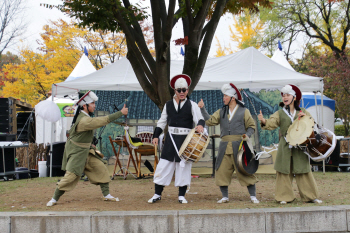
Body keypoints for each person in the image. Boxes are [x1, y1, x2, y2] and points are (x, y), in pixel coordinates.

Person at [46, 91, 128, 207]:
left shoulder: (85, 117)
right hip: (77, 153)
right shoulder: (84, 120)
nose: (95, 105)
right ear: (85, 106)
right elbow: (102, 121)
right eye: (92, 103)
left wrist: (90, 145)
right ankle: (54, 198)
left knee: (101, 168)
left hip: (86, 151)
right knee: (70, 177)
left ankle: (106, 195)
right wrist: (120, 113)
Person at [257, 84, 322, 204]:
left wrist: (305, 118)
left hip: (300, 146)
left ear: (294, 97)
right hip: (285, 146)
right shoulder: (280, 113)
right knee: (283, 171)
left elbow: (312, 124)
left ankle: (311, 196)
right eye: (283, 95)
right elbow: (272, 122)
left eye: (288, 95)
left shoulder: (303, 111)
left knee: (303, 170)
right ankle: (284, 197)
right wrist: (263, 121)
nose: (285, 97)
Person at [198, 83, 259, 204]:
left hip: (240, 146)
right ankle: (225, 196)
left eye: (225, 96)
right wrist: (202, 109)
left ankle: (253, 196)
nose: (223, 98)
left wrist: (247, 135)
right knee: (221, 170)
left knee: (244, 169)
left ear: (233, 97)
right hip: (224, 146)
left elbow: (251, 126)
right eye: (223, 96)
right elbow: (210, 121)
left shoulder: (244, 111)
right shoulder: (221, 111)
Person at [148, 74, 205, 204]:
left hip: (185, 142)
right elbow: (162, 122)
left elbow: (199, 118)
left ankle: (181, 196)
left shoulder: (192, 105)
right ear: (175, 91)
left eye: (184, 90)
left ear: (187, 90)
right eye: (179, 90)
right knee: (163, 167)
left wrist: (201, 125)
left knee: (183, 168)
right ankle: (157, 194)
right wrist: (155, 135)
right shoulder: (168, 105)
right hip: (170, 141)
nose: (181, 93)